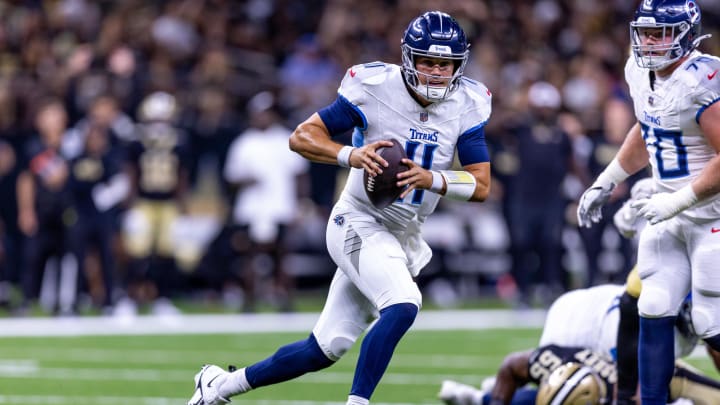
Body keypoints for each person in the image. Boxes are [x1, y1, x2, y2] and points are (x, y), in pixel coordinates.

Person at [187, 10, 492, 405]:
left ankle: (219, 385)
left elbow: (481, 184)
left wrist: (430, 178)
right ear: (408, 59)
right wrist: (351, 154)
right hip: (359, 219)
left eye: (444, 64)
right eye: (427, 62)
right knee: (403, 304)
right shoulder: (375, 86)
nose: (435, 72)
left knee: (323, 349)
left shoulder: (468, 102)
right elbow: (302, 137)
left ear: (458, 65)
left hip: (403, 233)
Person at [575, 1, 720, 403]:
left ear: (687, 34)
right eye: (646, 32)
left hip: (712, 214)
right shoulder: (638, 72)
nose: (651, 42)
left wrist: (678, 202)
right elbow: (649, 128)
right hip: (668, 210)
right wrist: (606, 181)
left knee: (711, 320)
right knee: (652, 305)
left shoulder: (704, 79)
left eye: (662, 33)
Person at [438, 281, 720, 405]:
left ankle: (483, 398)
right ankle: (486, 398)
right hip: (582, 328)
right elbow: (630, 392)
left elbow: (714, 344)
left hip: (600, 319)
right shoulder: (656, 327)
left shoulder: (690, 305)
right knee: (576, 392)